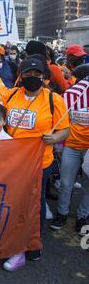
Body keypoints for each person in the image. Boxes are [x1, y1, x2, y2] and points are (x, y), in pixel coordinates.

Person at [3, 58, 70, 271]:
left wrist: (55, 138)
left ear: (44, 77)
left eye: (36, 74)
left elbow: (65, 130)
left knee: (35, 203)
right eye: (27, 73)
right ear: (20, 76)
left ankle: (33, 244)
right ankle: (12, 238)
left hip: (40, 162)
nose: (32, 77)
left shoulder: (54, 99)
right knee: (14, 200)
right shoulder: (11, 95)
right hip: (12, 161)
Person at [50, 64, 89, 235]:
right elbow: (60, 120)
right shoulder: (72, 96)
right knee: (66, 183)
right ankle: (62, 213)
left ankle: (83, 217)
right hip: (72, 147)